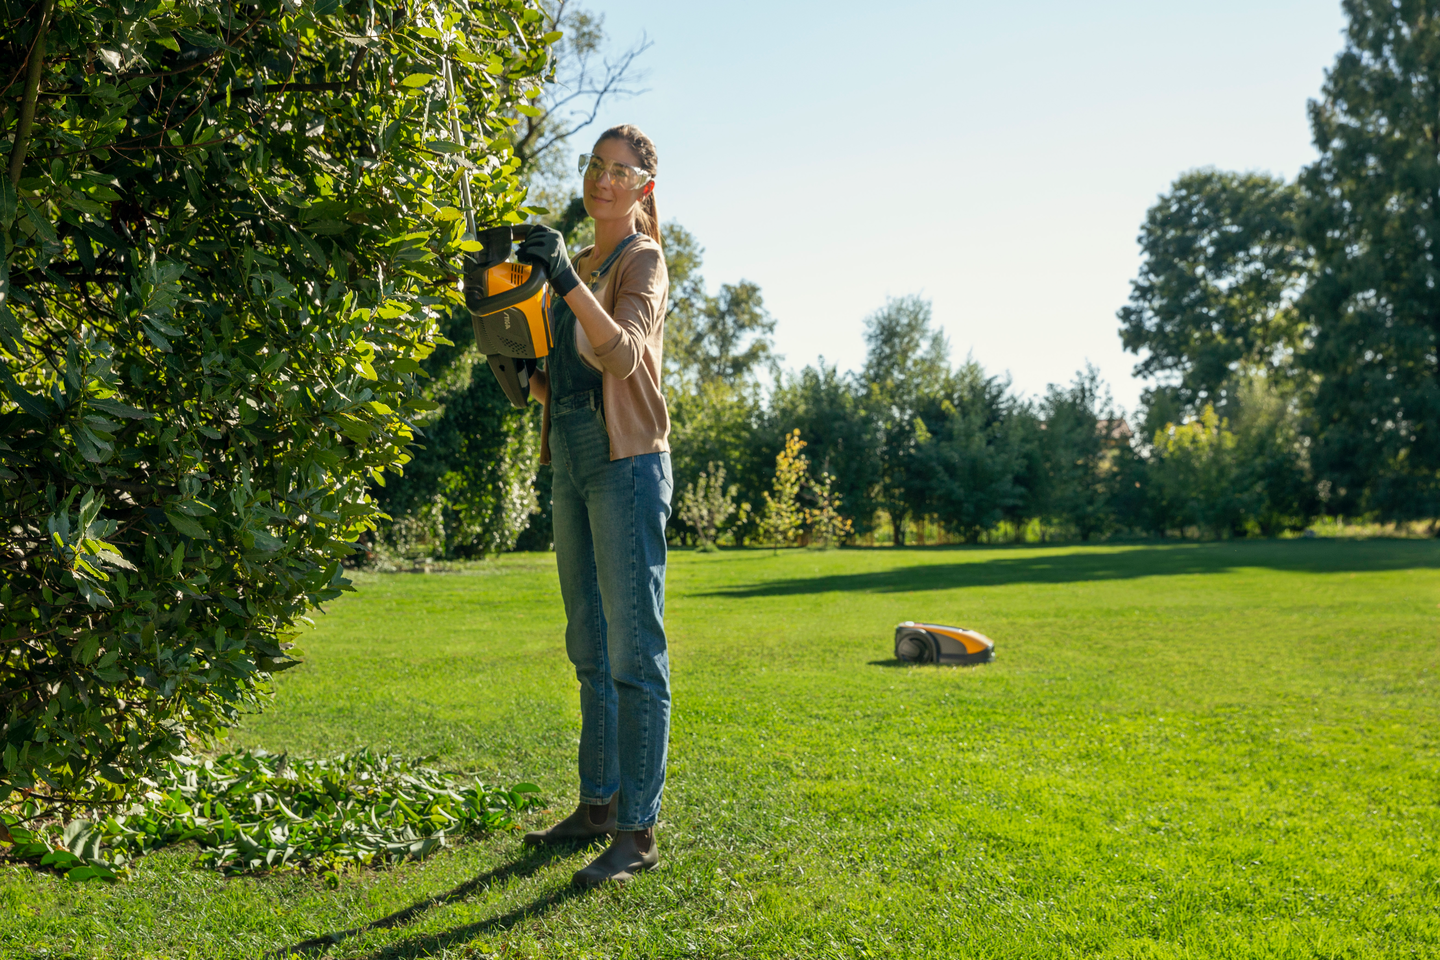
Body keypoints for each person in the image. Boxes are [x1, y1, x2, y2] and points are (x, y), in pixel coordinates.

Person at [510, 125, 672, 887]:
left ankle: (637, 834)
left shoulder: (642, 260)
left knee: (634, 655)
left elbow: (624, 355)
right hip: (571, 455)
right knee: (589, 645)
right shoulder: (577, 261)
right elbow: (565, 378)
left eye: (621, 172)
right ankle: (597, 808)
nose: (603, 180)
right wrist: (518, 370)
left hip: (626, 462)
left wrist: (566, 281)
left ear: (644, 188)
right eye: (595, 167)